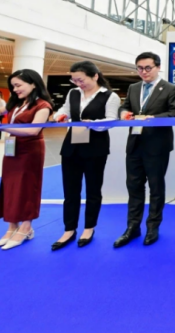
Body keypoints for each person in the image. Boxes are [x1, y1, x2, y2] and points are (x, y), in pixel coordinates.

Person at [0, 69, 54, 249]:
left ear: (33, 83)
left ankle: (26, 227)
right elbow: (0, 110)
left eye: (18, 85)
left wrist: (2, 127)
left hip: (30, 150)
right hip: (12, 149)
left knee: (27, 187)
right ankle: (12, 226)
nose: (15, 89)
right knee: (10, 185)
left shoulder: (43, 105)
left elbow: (33, 130)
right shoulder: (17, 102)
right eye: (13, 86)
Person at [114, 52, 175, 248]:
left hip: (157, 146)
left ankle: (153, 227)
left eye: (148, 68)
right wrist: (123, 113)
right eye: (140, 68)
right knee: (134, 187)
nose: (143, 72)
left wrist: (153, 118)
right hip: (134, 144)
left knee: (156, 188)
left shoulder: (170, 88)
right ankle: (132, 227)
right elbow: (125, 107)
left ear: (158, 67)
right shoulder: (134, 88)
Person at [51, 61, 121, 251]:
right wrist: (59, 116)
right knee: (70, 191)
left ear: (95, 76)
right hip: (71, 146)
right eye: (74, 80)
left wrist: (93, 123)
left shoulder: (110, 95)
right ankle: (69, 229)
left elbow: (112, 119)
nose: (78, 83)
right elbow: (65, 109)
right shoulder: (73, 93)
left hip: (96, 147)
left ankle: (89, 228)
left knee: (93, 190)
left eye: (81, 80)